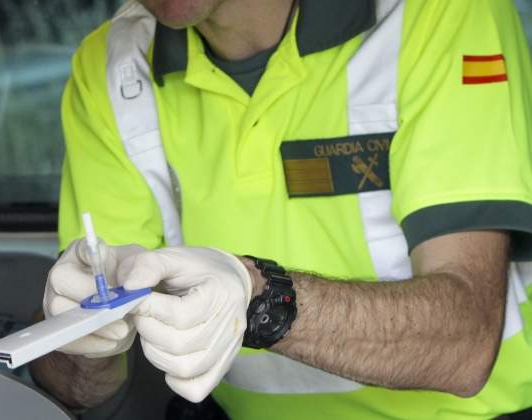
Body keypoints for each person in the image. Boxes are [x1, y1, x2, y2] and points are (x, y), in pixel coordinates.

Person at [30, 0, 532, 418]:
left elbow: (465, 343)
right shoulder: (110, 65)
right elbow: (76, 390)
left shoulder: (441, 12)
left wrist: (260, 297)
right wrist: (76, 336)